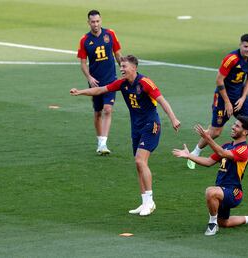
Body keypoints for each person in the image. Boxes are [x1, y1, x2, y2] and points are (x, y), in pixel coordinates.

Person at [70, 55, 181, 216]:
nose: (121, 69)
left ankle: (150, 201)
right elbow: (101, 90)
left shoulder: (145, 83)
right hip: (135, 128)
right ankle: (144, 203)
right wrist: (80, 92)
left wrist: (173, 118)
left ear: (134, 68)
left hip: (151, 126)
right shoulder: (122, 84)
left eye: (124, 66)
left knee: (140, 160)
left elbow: (162, 100)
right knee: (138, 165)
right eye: (120, 66)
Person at [173, 116, 248, 236]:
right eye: (234, 124)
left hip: (234, 192)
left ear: (245, 132)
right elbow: (208, 162)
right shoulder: (227, 145)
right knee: (224, 222)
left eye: (237, 126)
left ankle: (212, 225)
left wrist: (208, 137)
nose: (232, 127)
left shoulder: (244, 150)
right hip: (221, 191)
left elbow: (221, 153)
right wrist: (189, 156)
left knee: (210, 192)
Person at [187, 34, 248, 171]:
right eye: (245, 46)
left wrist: (243, 98)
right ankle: (194, 154)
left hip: (240, 98)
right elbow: (219, 80)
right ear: (240, 45)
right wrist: (227, 102)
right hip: (222, 98)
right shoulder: (231, 59)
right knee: (215, 132)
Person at [77, 10, 122, 155]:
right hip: (95, 83)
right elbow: (83, 63)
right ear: (88, 22)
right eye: (93, 22)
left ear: (101, 20)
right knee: (97, 112)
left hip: (111, 80)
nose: (95, 24)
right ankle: (100, 141)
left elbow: (118, 54)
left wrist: (124, 69)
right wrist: (89, 78)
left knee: (108, 109)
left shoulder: (110, 34)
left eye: (98, 21)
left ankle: (103, 144)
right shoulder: (85, 40)